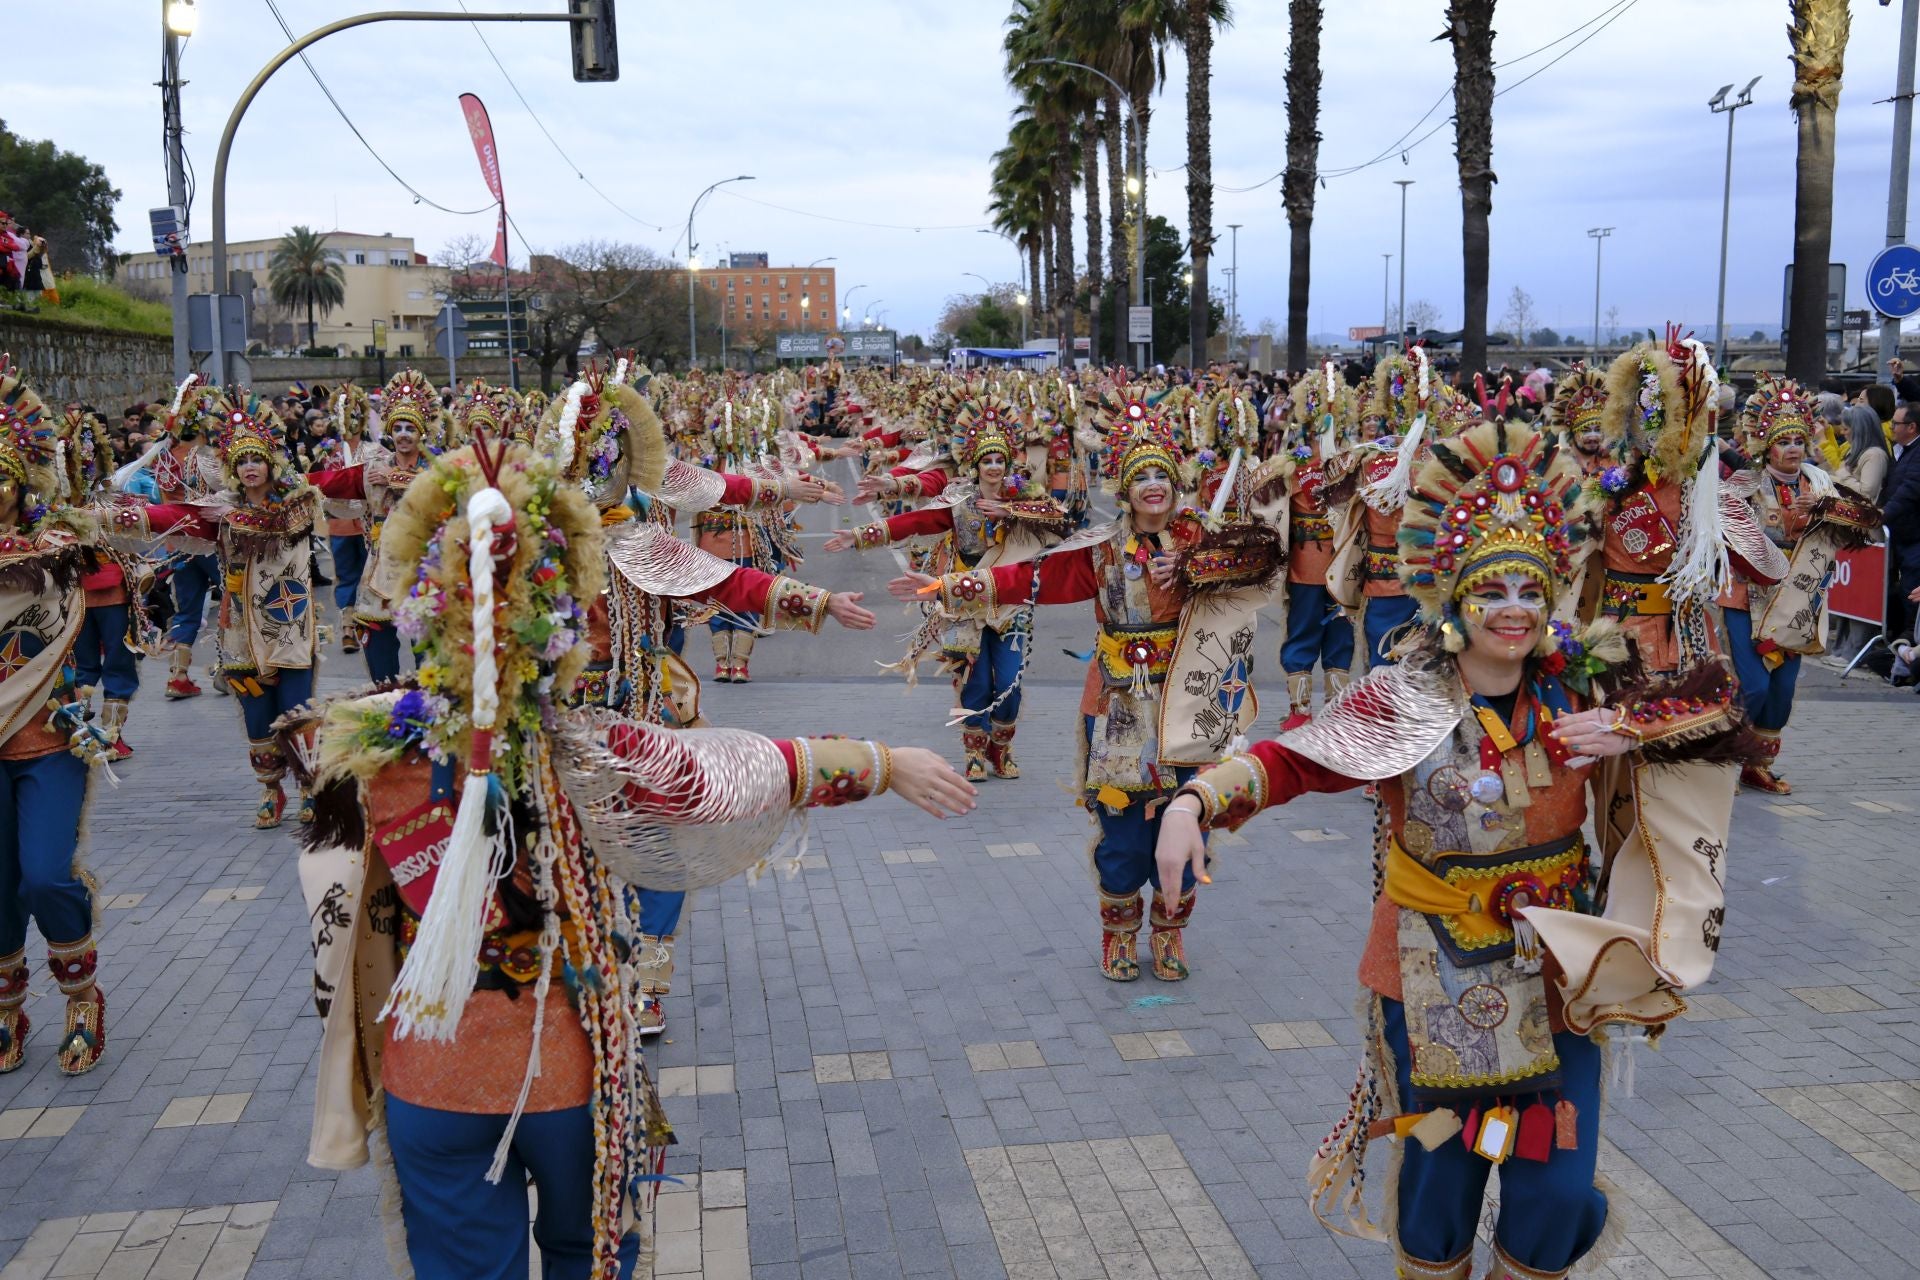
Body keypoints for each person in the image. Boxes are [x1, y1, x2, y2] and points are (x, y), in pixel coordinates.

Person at [293, 432, 973, 1280]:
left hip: (430, 1076)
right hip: (571, 1071)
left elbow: (335, 902)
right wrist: (883, 761)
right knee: (591, 1256)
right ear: (561, 620)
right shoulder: (590, 751)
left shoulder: (356, 747)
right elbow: (733, 773)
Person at [1153, 417, 1761, 1280]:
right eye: (1494, 588)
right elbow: (1297, 757)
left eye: (1531, 587)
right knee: (1441, 1175)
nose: (1514, 608)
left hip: (1558, 980)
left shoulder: (1584, 685)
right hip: (1425, 977)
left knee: (1554, 1187)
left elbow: (1726, 715)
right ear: (1456, 597)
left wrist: (1629, 727)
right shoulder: (1403, 694)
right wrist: (1196, 797)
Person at [889, 394, 1281, 983]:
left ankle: (1170, 930)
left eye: (1163, 475)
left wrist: (1196, 566)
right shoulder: (1100, 552)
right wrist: (950, 587)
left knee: (1189, 818)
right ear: (1123, 489)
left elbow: (1262, 560)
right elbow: (1028, 579)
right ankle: (1119, 933)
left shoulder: (1203, 538)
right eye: (1140, 476)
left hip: (1192, 701)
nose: (1154, 485)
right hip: (1119, 704)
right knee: (1122, 827)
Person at [109, 392, 324, 827]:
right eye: (241, 460)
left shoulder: (296, 504)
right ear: (232, 467)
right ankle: (271, 790)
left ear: (271, 463)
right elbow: (174, 514)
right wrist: (115, 516)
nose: (250, 467)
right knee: (257, 714)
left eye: (257, 459)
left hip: (288, 626)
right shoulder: (221, 510)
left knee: (297, 711)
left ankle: (309, 787)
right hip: (240, 631)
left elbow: (274, 526)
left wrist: (224, 516)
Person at [827, 399, 1068, 779]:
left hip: (1010, 606)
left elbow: (1061, 521)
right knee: (973, 682)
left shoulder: (1025, 499)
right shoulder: (960, 504)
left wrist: (1012, 512)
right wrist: (860, 535)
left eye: (999, 461)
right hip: (964, 603)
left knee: (1008, 686)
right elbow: (914, 522)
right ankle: (973, 752)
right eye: (986, 461)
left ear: (1008, 465)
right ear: (975, 466)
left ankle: (1001, 748)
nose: (993, 467)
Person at [0, 363, 117, 1077]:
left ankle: (81, 995)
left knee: (44, 876)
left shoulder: (57, 549)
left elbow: (120, 546)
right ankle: (8, 1006)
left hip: (47, 738)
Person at [1720, 376, 1882, 793]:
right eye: (1783, 440)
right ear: (1765, 444)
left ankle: (1756, 764)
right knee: (1752, 684)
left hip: (1799, 600)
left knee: (1782, 691)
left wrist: (1825, 508)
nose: (1793, 447)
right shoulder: (1743, 484)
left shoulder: (1820, 482)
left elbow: (1867, 520)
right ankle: (1727, 759)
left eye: (1798, 439)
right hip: (1747, 597)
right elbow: (1724, 529)